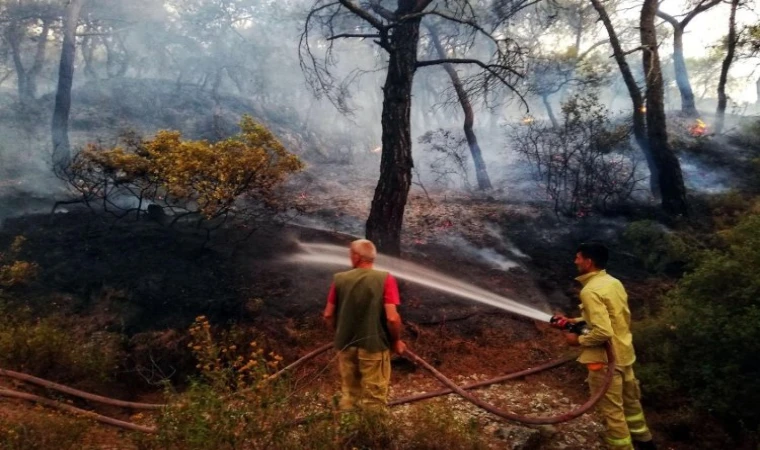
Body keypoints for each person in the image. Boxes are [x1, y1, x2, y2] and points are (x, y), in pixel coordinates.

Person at [554, 242, 656, 450]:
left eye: (578, 257)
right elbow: (609, 317)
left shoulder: (590, 291)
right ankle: (645, 443)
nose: (575, 261)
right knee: (631, 404)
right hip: (624, 354)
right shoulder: (612, 283)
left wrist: (578, 340)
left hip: (604, 361)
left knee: (612, 412)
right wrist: (572, 321)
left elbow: (602, 332)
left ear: (589, 262)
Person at [322, 239, 406, 412]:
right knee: (374, 399)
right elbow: (392, 318)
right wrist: (396, 341)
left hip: (345, 346)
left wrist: (340, 334)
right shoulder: (385, 279)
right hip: (374, 347)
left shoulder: (339, 279)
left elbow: (328, 314)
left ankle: (348, 434)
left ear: (357, 256)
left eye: (350, 254)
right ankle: (371, 437)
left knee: (350, 395)